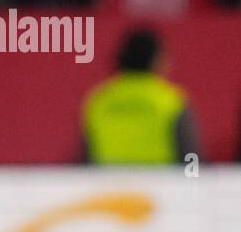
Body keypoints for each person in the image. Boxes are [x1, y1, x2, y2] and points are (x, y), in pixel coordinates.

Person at [81, 29, 199, 164]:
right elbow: (191, 157)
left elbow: (85, 160)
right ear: (156, 60)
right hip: (162, 183)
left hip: (111, 183)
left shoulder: (98, 100)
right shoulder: (171, 101)